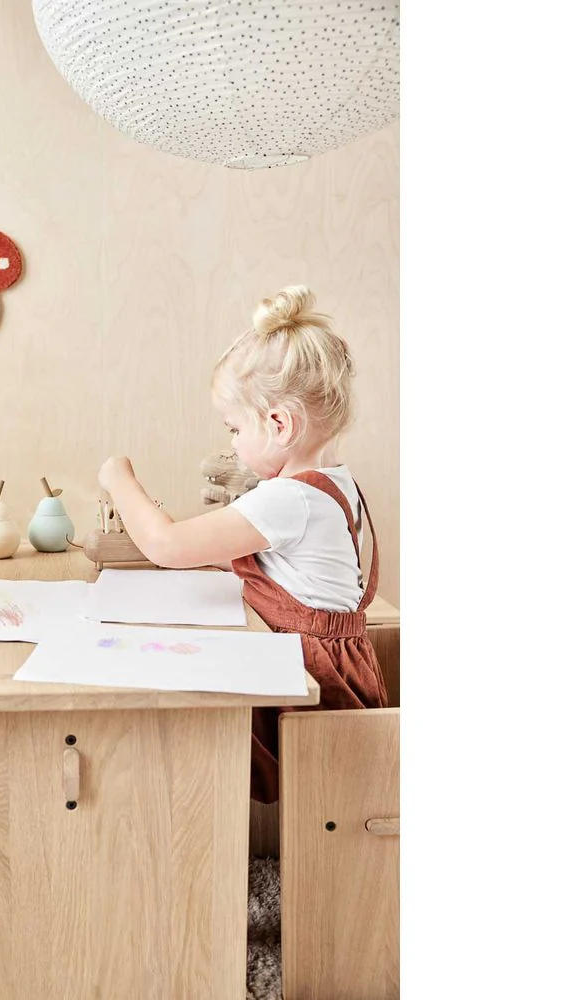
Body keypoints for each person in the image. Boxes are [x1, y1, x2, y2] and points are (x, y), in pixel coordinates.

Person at [97, 285, 388, 802]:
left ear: (279, 424)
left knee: (180, 713)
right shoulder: (335, 483)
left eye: (233, 428)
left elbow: (166, 544)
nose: (230, 441)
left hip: (310, 682)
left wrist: (119, 478)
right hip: (337, 666)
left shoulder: (290, 499)